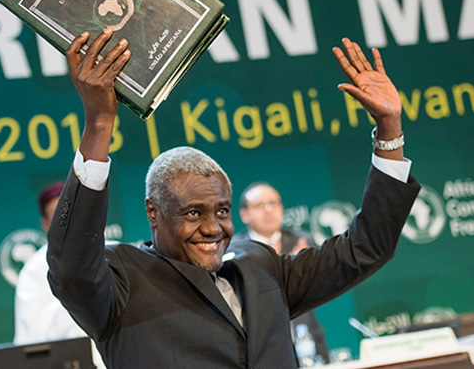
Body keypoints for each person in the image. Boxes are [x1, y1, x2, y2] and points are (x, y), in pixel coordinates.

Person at [47, 29, 420, 368]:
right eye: (193, 213)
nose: (212, 228)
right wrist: (98, 122)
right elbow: (72, 266)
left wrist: (389, 129)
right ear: (154, 213)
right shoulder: (123, 280)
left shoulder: (259, 264)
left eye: (221, 211)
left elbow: (365, 248)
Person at [13, 182, 106, 367]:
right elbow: (31, 339)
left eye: (75, 210)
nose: (70, 219)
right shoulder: (34, 270)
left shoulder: (113, 251)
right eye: (59, 213)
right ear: (46, 223)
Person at [235, 185, 329, 366]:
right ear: (244, 214)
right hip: (264, 349)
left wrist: (304, 265)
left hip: (308, 340)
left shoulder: (302, 242)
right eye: (259, 205)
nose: (268, 210)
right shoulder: (236, 252)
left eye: (273, 203)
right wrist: (291, 268)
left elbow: (320, 287)